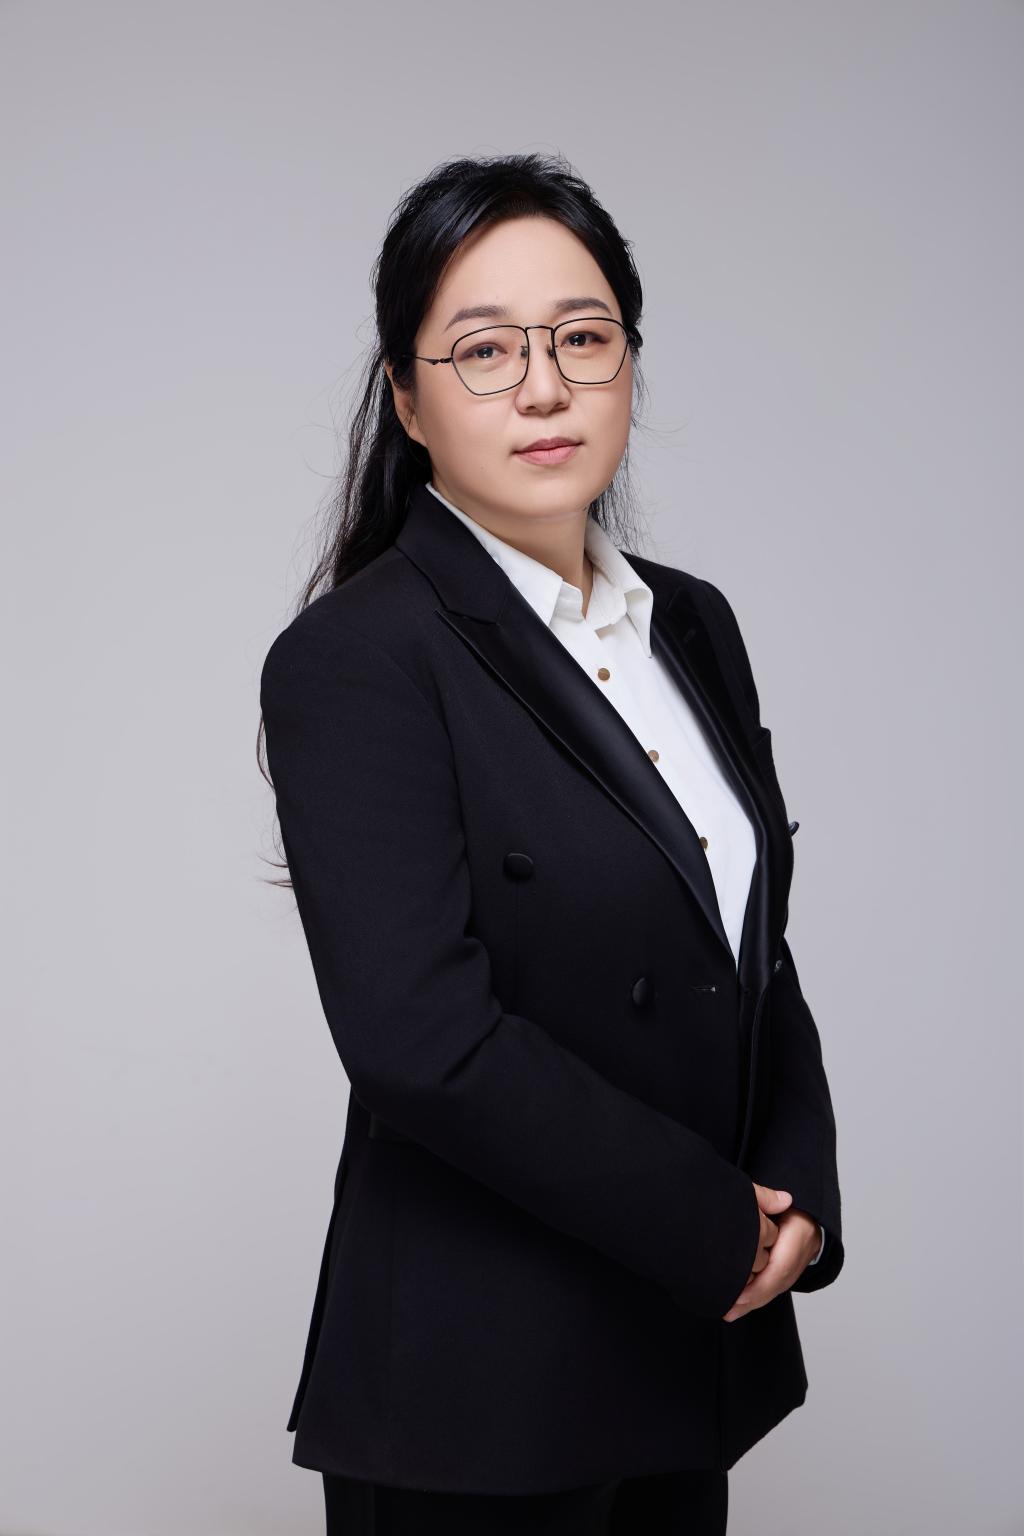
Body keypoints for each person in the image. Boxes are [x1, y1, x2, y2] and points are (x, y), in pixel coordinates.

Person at [258, 152, 844, 1536]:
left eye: (583, 339)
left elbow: (744, 944)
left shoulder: (691, 623)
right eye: (485, 349)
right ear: (407, 399)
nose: (543, 387)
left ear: (629, 366)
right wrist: (713, 1222)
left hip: (681, 1356)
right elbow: (422, 1041)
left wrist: (803, 1187)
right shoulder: (358, 656)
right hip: (483, 1386)